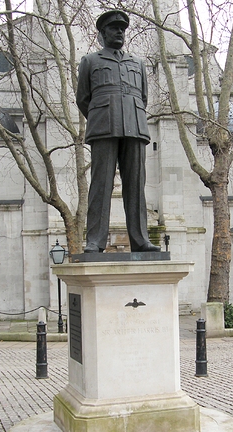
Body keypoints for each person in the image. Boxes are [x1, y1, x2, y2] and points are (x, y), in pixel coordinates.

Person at [76, 10, 160, 253]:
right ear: (103, 34)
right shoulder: (90, 61)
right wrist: (102, 116)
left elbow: (142, 97)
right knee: (100, 185)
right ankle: (95, 241)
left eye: (122, 29)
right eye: (114, 29)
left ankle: (141, 240)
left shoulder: (138, 63)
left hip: (134, 127)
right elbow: (84, 99)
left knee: (135, 185)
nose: (120, 33)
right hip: (104, 127)